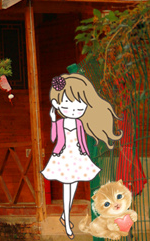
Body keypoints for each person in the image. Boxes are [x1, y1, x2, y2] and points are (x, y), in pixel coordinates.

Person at [41, 73, 122, 239]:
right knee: (67, 186)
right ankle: (67, 219)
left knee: (73, 185)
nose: (74, 110)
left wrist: (86, 153)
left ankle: (65, 215)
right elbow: (54, 138)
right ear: (58, 103)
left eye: (80, 107)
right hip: (63, 156)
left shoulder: (79, 122)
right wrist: (52, 120)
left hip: (77, 156)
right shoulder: (61, 122)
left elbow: (82, 140)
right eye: (68, 105)